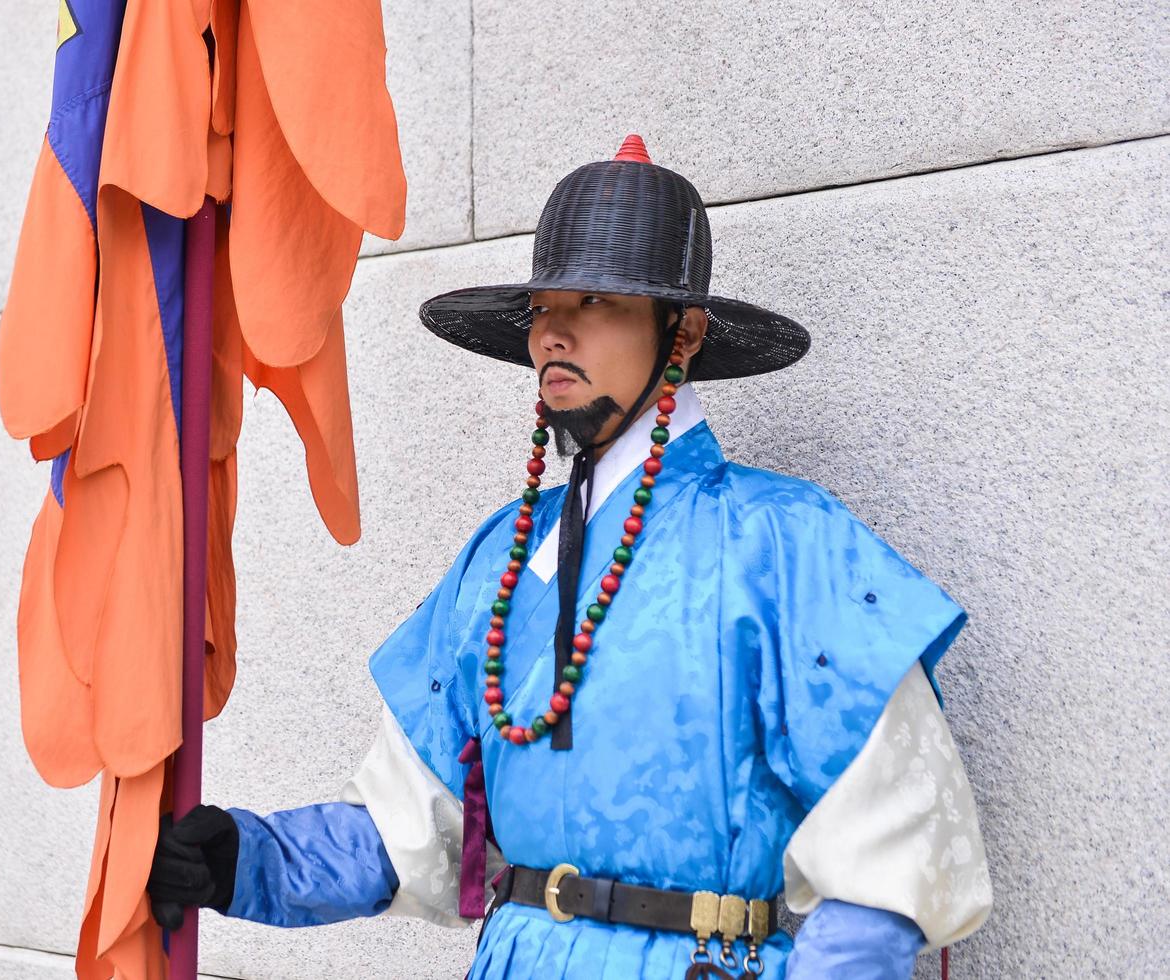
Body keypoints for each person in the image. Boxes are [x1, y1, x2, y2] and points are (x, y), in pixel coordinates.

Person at [147, 134, 992, 979]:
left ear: (685, 331)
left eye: (594, 301)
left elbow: (888, 867)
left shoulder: (789, 543)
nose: (552, 331)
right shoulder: (501, 559)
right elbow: (410, 832)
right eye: (543, 307)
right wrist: (245, 861)